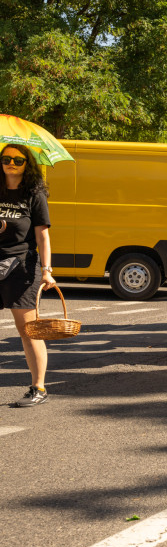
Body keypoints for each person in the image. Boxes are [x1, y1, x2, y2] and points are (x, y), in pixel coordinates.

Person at [1, 144, 57, 407]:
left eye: (18, 160)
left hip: (22, 268)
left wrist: (47, 271)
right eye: (6, 159)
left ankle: (39, 388)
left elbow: (42, 236)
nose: (11, 163)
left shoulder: (34, 195)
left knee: (28, 330)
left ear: (27, 164)